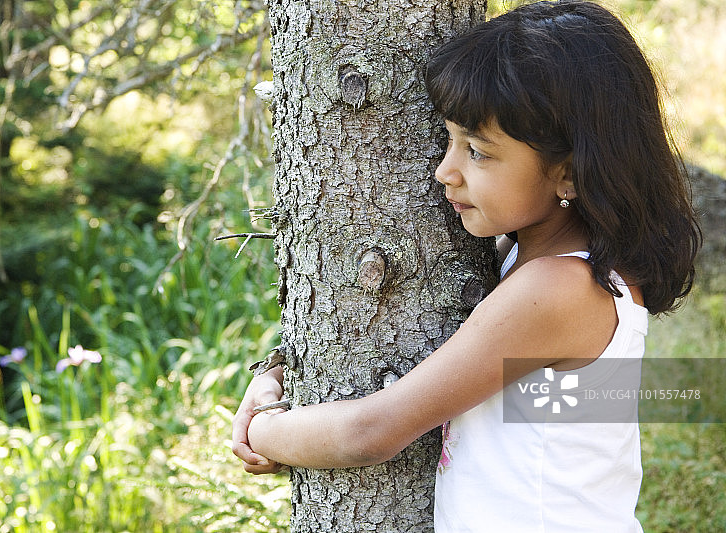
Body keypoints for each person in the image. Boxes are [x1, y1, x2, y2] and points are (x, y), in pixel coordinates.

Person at [231, 1, 701, 530]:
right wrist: (277, 376)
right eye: (449, 139)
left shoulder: (558, 289)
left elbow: (369, 434)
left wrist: (263, 428)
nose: (444, 171)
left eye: (477, 151)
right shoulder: (532, 259)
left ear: (568, 174)